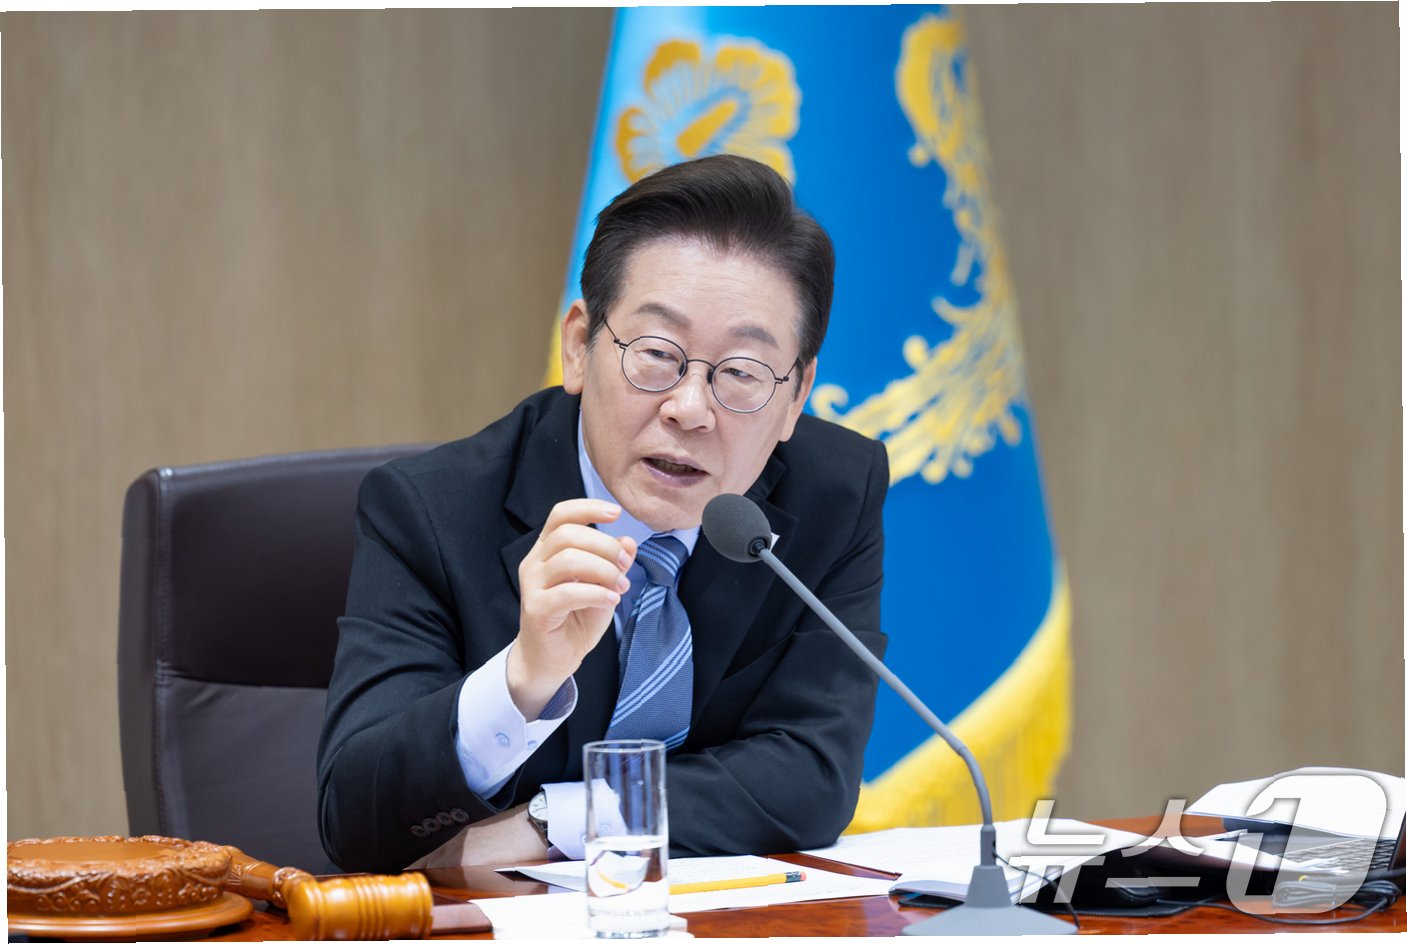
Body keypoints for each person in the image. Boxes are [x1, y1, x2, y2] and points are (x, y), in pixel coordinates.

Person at [316, 154, 889, 873]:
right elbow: (355, 823)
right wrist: (522, 678)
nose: (689, 409)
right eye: (655, 354)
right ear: (579, 347)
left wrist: (557, 820)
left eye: (741, 373)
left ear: (796, 395)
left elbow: (811, 775)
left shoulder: (834, 493)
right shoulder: (430, 512)